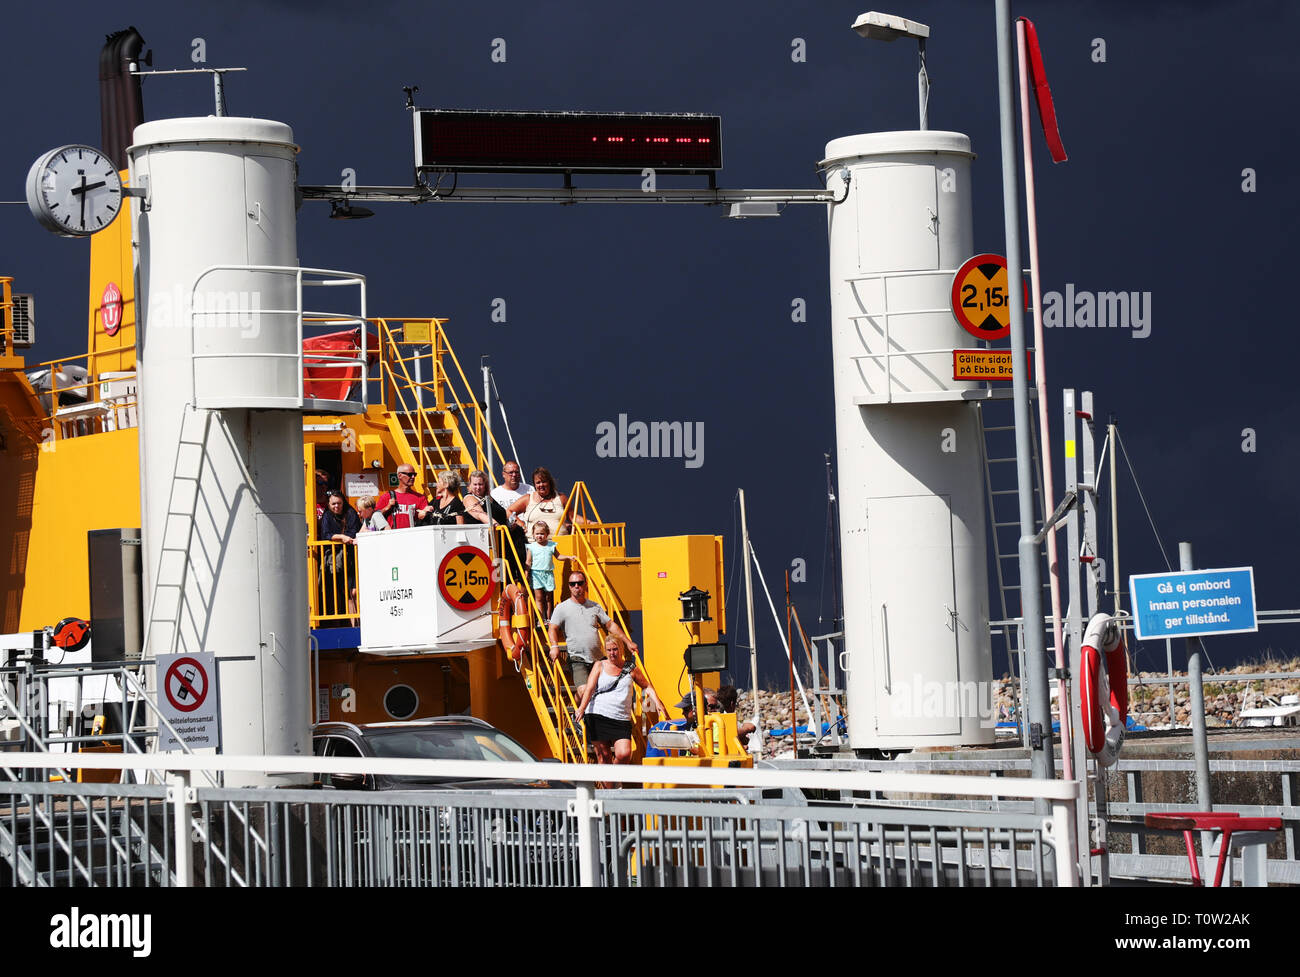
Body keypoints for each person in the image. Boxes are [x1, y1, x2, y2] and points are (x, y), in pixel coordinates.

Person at [572, 635, 658, 766]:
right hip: (597, 714)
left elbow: (646, 686)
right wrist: (581, 709)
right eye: (609, 650)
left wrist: (658, 703)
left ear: (621, 649)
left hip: (621, 718)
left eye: (615, 649)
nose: (612, 653)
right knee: (604, 757)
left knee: (624, 754)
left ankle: (612, 779)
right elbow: (589, 689)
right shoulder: (599, 665)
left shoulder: (631, 668)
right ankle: (613, 786)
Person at [548, 568, 637, 691]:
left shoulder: (594, 606)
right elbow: (552, 628)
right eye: (572, 584)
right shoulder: (562, 608)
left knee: (614, 687)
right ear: (569, 586)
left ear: (585, 584)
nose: (576, 586)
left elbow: (610, 625)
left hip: (597, 659)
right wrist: (554, 646)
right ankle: (579, 706)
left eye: (580, 583)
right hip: (577, 659)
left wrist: (628, 642)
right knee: (584, 690)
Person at [465, 468, 527, 583]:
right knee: (500, 579)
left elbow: (503, 512)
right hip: (492, 543)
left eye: (480, 484)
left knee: (511, 576)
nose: (478, 487)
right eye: (475, 484)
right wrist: (496, 525)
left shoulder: (488, 498)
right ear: (470, 485)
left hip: (504, 542)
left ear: (485, 485)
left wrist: (514, 523)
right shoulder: (469, 498)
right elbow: (480, 514)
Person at [317, 490, 361, 623]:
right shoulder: (327, 515)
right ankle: (351, 625)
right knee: (344, 593)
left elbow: (353, 532)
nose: (336, 506)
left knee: (354, 592)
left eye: (339, 503)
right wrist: (341, 537)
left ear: (343, 503)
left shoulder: (350, 513)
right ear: (329, 504)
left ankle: (359, 624)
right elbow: (325, 534)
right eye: (333, 504)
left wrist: (341, 537)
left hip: (352, 556)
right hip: (337, 559)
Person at [525, 521, 575, 623]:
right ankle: (540, 619)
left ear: (547, 534)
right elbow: (528, 562)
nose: (539, 536)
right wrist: (526, 574)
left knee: (548, 598)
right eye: (537, 534)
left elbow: (558, 556)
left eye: (542, 534)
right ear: (533, 535)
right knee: (539, 598)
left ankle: (549, 618)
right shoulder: (532, 547)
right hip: (536, 574)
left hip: (548, 574)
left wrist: (569, 557)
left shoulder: (551, 545)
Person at [507, 466, 571, 539]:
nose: (541, 485)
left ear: (549, 482)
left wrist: (586, 522)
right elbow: (509, 511)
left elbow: (573, 517)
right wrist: (521, 524)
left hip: (561, 544)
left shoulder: (561, 498)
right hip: (535, 546)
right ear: (534, 485)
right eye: (538, 482)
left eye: (544, 481)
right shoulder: (527, 499)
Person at [376, 464, 430, 529]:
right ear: (399, 476)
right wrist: (387, 507)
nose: (413, 477)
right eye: (410, 474)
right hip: (392, 537)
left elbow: (426, 519)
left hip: (412, 536)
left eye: (414, 474)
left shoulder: (420, 498)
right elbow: (375, 517)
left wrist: (426, 513)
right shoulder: (387, 497)